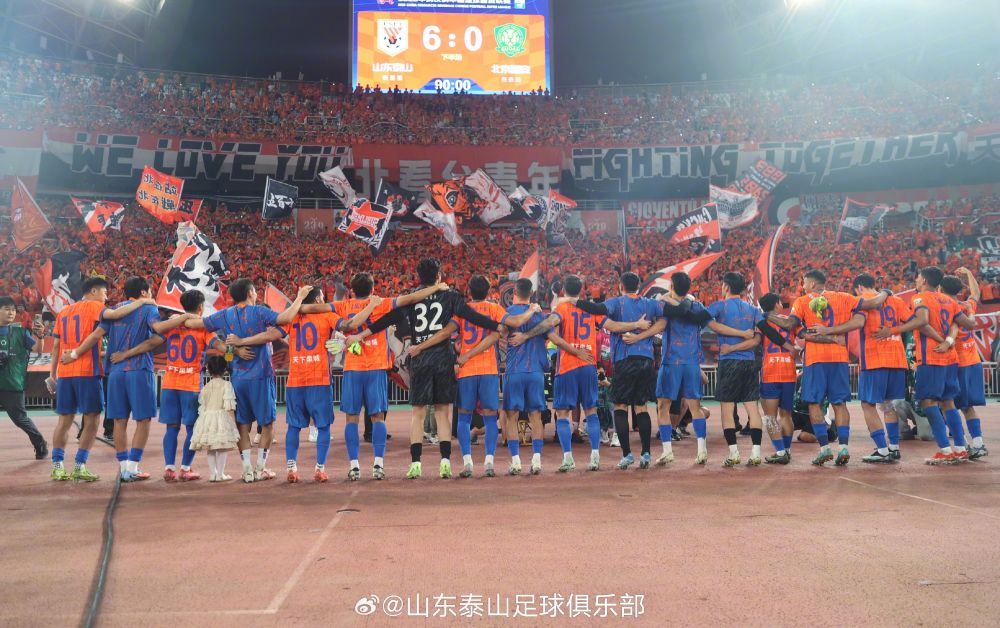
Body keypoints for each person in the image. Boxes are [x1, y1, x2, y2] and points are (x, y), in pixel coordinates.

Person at [349, 259, 505, 480]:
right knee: (442, 412)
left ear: (418, 277)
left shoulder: (413, 297)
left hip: (419, 357)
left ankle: (416, 464)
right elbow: (471, 316)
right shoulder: (450, 296)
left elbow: (389, 319)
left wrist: (363, 334)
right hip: (442, 357)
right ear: (438, 276)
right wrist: (496, 326)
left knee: (418, 413)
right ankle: (445, 463)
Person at [299, 274, 447, 481]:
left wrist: (299, 301)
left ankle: (354, 466)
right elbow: (411, 298)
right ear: (372, 289)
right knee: (378, 417)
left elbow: (310, 308)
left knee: (351, 419)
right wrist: (436, 287)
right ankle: (378, 465)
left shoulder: (342, 305)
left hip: (353, 369)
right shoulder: (382, 303)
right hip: (376, 368)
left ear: (352, 290)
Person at [234, 287, 379, 482]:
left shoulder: (292, 317)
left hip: (296, 380)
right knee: (323, 427)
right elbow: (349, 324)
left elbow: (270, 336)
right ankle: (319, 469)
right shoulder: (327, 315)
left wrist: (242, 341)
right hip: (319, 380)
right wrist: (371, 306)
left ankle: (291, 468)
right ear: (318, 299)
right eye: (322, 297)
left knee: (293, 427)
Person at [110, 289, 250, 481]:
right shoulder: (203, 329)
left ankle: (169, 468)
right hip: (190, 385)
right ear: (201, 307)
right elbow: (222, 348)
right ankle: (185, 468)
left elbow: (150, 344)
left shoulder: (172, 326)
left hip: (169, 384)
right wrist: (235, 353)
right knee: (192, 428)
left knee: (172, 428)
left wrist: (125, 355)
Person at [184, 278, 312, 483]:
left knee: (243, 424)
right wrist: (300, 297)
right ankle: (260, 468)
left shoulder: (225, 314)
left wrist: (181, 316)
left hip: (239, 378)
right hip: (261, 376)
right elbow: (286, 317)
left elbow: (194, 322)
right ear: (251, 292)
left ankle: (247, 471)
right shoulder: (259, 312)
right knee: (267, 424)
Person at [66, 277, 192, 481]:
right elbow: (158, 329)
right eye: (149, 291)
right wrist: (184, 317)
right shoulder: (149, 308)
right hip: (139, 369)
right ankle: (133, 467)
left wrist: (74, 354)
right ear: (143, 292)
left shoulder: (114, 309)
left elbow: (96, 335)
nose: (151, 294)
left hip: (115, 372)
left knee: (119, 420)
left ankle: (124, 466)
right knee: (143, 420)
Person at [629, 271, 755, 465]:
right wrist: (742, 333)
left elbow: (659, 326)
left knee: (663, 406)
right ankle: (702, 451)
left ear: (671, 286)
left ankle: (667, 451)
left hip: (671, 361)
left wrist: (637, 336)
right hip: (692, 363)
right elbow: (715, 326)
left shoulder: (663, 305)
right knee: (695, 407)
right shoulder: (697, 306)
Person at [407, 274, 525, 478]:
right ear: (489, 291)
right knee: (490, 417)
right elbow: (508, 326)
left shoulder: (462, 310)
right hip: (488, 369)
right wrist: (531, 309)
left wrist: (425, 346)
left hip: (466, 370)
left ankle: (467, 462)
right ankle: (489, 462)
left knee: (464, 417)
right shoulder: (494, 308)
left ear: (469, 291)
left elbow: (446, 333)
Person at [769, 269, 887, 466]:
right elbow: (869, 307)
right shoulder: (843, 297)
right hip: (839, 358)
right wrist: (886, 292)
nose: (803, 286)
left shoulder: (802, 301)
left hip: (815, 359)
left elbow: (790, 324)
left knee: (814, 403)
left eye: (804, 283)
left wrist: (767, 315)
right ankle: (844, 448)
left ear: (812, 284)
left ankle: (824, 449)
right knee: (839, 404)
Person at [49, 276, 152, 482]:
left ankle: (57, 466)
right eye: (104, 293)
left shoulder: (64, 312)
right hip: (87, 370)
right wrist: (143, 301)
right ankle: (79, 466)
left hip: (65, 372)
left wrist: (53, 374)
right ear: (94, 291)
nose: (106, 297)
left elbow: (56, 346)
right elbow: (114, 315)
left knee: (64, 420)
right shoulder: (96, 307)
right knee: (92, 419)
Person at [870, 266, 974, 465]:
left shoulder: (920, 298)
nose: (916, 280)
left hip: (931, 357)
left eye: (918, 277)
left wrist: (892, 330)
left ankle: (945, 450)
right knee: (948, 402)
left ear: (924, 280)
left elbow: (922, 321)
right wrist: (950, 338)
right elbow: (968, 324)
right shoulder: (950, 301)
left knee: (928, 402)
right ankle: (961, 448)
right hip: (951, 358)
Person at [568, 272, 660, 470]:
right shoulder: (651, 304)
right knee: (641, 407)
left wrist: (574, 301)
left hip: (624, 359)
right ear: (639, 286)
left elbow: (596, 308)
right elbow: (665, 319)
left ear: (620, 286)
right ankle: (646, 454)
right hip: (646, 359)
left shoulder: (617, 302)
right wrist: (644, 332)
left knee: (620, 406)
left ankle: (627, 455)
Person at [704, 272, 769, 466]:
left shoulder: (718, 306)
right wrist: (742, 336)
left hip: (729, 362)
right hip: (749, 363)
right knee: (752, 408)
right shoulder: (753, 309)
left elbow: (714, 326)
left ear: (725, 286)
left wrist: (731, 347)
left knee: (727, 409)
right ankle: (756, 453)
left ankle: (734, 453)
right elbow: (756, 340)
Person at [850, 273, 912, 463]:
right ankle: (893, 447)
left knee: (867, 405)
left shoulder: (861, 300)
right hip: (897, 359)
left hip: (874, 359)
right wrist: (893, 331)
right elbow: (912, 321)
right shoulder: (896, 300)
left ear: (859, 287)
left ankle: (882, 449)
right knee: (888, 405)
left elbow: (858, 323)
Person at [502, 279, 561, 475]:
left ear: (514, 292)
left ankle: (516, 461)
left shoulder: (508, 312)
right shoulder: (539, 314)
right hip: (535, 371)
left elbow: (500, 333)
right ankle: (536, 460)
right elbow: (553, 338)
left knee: (511, 416)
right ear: (532, 293)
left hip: (514, 371)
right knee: (536, 415)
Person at [549, 275, 603, 471]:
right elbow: (610, 325)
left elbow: (551, 332)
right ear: (581, 290)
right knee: (591, 410)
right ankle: (595, 456)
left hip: (567, 366)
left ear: (563, 290)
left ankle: (568, 458)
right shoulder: (591, 308)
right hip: (588, 364)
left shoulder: (561, 308)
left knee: (562, 412)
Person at [942, 268, 987, 458]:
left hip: (956, 363)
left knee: (947, 404)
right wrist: (969, 273)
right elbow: (976, 293)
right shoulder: (967, 305)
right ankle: (978, 443)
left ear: (941, 290)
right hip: (973, 361)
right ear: (960, 290)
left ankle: (962, 443)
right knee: (967, 406)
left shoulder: (946, 308)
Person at [0, 296, 48, 459]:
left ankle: (39, 442)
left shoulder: (20, 333)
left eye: (13, 310)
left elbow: (38, 350)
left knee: (20, 419)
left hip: (12, 384)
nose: (11, 312)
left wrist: (40, 336)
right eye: (6, 309)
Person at [188, 355, 240, 481]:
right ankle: (220, 474)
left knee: (210, 447)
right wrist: (233, 425)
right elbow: (229, 407)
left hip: (206, 419)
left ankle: (213, 473)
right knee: (222, 447)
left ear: (209, 370)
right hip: (222, 418)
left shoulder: (205, 387)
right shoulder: (226, 385)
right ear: (224, 369)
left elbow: (202, 406)